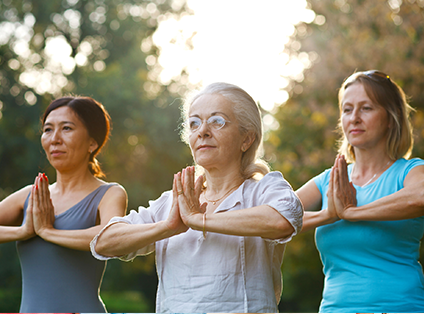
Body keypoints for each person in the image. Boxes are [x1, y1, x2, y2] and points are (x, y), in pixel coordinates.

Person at [91, 82, 303, 313]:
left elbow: (284, 219)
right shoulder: (173, 202)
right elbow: (104, 243)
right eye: (194, 123)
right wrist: (168, 227)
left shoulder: (263, 189)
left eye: (217, 121)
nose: (202, 130)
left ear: (247, 139)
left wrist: (198, 220)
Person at [0, 96, 127, 312]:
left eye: (66, 128)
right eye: (48, 130)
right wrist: (23, 232)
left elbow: (112, 237)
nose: (54, 139)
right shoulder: (30, 196)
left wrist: (48, 232)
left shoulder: (110, 194)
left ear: (92, 143)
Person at [297, 70, 424, 312]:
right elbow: (278, 215)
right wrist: (328, 215)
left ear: (391, 117)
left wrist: (354, 212)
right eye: (347, 110)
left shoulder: (410, 171)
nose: (354, 118)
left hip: (399, 307)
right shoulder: (330, 179)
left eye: (366, 108)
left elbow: (420, 196)